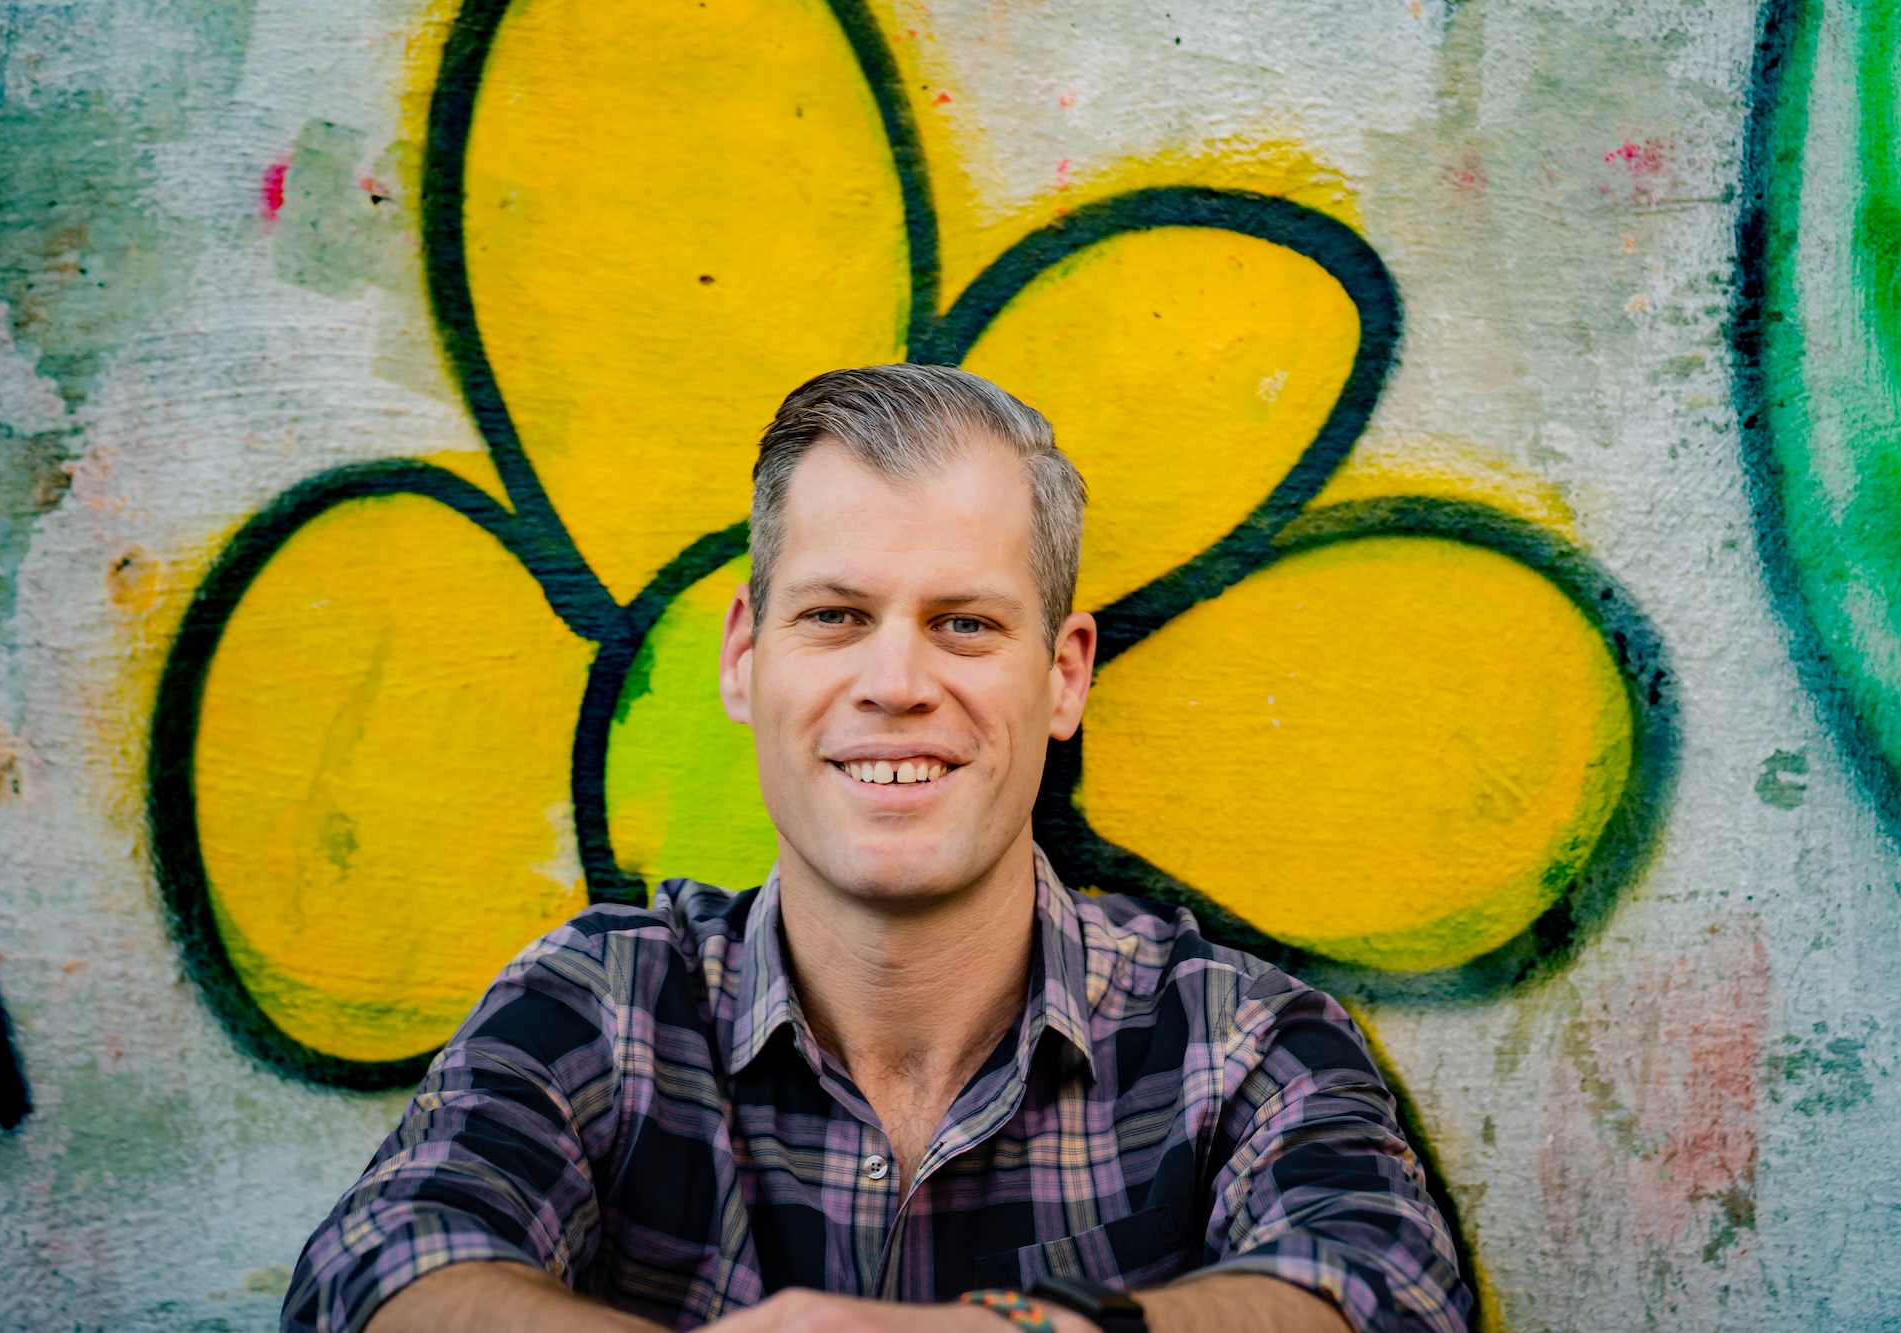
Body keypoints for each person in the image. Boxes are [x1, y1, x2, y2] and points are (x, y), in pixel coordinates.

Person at [282, 365, 1471, 1333]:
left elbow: (1386, 1291)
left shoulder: (1235, 1043)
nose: (895, 684)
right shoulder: (600, 1007)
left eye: (964, 624)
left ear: (1062, 675)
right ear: (744, 657)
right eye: (835, 617)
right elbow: (378, 1274)